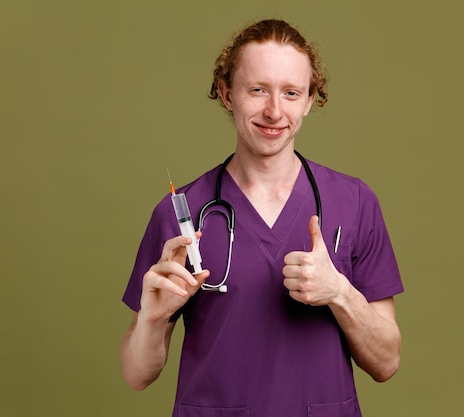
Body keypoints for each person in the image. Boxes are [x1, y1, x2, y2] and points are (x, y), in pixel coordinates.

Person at [120, 19, 404, 417]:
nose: (274, 111)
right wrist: (151, 319)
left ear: (309, 100)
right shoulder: (179, 214)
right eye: (257, 90)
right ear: (226, 93)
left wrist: (340, 292)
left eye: (291, 93)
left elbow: (386, 362)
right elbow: (136, 374)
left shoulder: (354, 201)